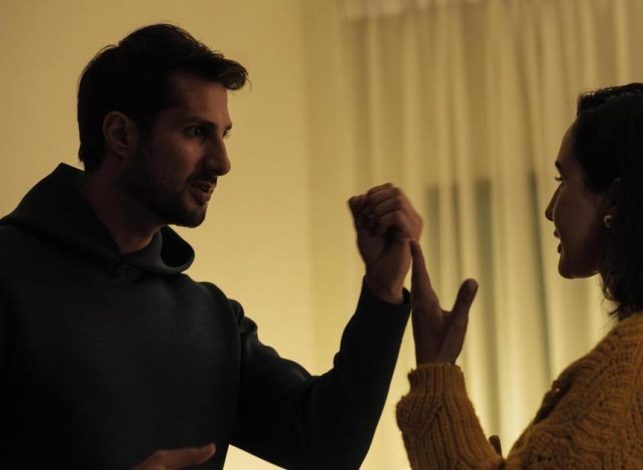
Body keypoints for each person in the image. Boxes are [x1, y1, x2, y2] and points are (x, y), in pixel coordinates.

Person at [0, 24, 423, 469]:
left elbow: (326, 447)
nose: (222, 162)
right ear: (121, 135)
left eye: (224, 134)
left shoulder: (211, 320)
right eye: (196, 132)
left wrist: (383, 292)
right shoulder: (9, 275)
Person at [396, 83, 643, 468]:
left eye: (562, 180)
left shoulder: (641, 366)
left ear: (616, 199)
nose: (550, 209)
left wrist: (436, 372)